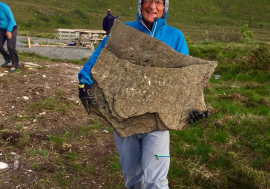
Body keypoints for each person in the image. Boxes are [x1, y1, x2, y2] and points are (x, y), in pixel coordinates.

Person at [78, 0, 209, 188]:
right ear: (140, 4)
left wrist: (194, 107)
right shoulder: (123, 32)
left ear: (165, 7)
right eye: (148, 0)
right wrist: (84, 83)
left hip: (157, 121)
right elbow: (97, 58)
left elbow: (188, 79)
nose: (153, 7)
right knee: (133, 179)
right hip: (123, 118)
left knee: (156, 181)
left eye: (159, 2)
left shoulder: (175, 37)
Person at [0, 2, 19, 72]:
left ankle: (15, 64)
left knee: (10, 46)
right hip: (1, 29)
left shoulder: (4, 7)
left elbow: (11, 19)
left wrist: (8, 31)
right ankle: (8, 58)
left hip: (11, 28)